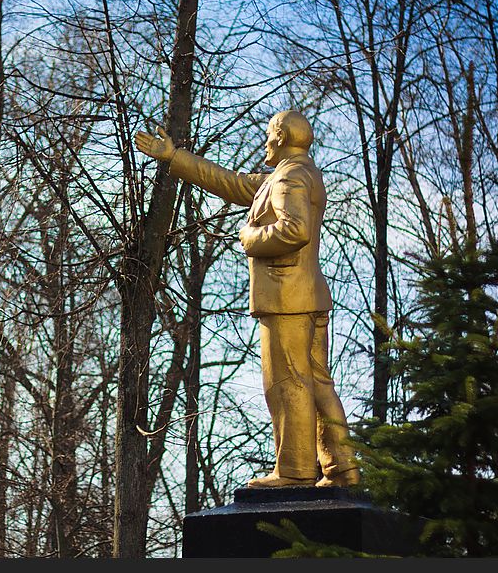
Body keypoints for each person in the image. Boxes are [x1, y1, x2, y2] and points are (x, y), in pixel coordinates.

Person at [134, 111, 359, 487]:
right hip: (308, 296)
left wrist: (249, 238)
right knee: (318, 383)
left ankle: (294, 472)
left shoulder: (289, 177)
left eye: (270, 135)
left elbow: (294, 230)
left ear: (282, 136)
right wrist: (174, 157)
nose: (266, 142)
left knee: (287, 382)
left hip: (288, 299)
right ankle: (341, 468)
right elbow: (230, 182)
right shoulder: (294, 174)